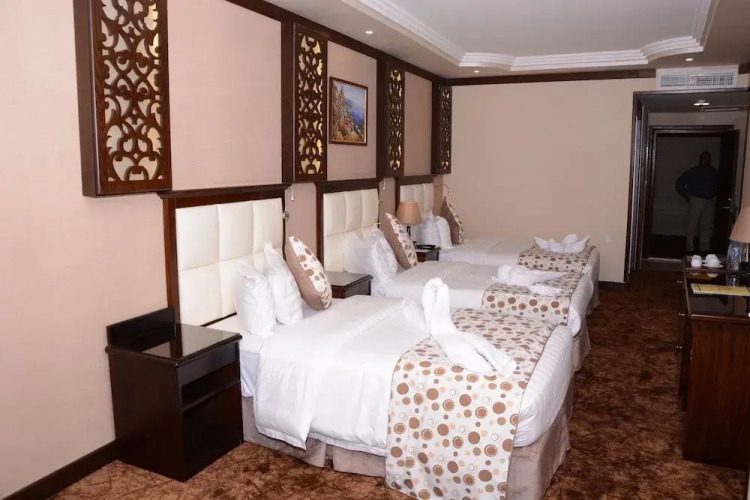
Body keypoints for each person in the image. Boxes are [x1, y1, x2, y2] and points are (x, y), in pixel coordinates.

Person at [675, 151, 719, 252]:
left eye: (707, 158)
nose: (705, 160)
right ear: (700, 159)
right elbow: (679, 183)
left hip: (710, 200)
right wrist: (687, 196)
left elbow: (719, 185)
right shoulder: (693, 171)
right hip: (696, 199)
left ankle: (704, 249)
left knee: (706, 226)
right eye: (703, 158)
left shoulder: (714, 172)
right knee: (692, 225)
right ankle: (690, 248)